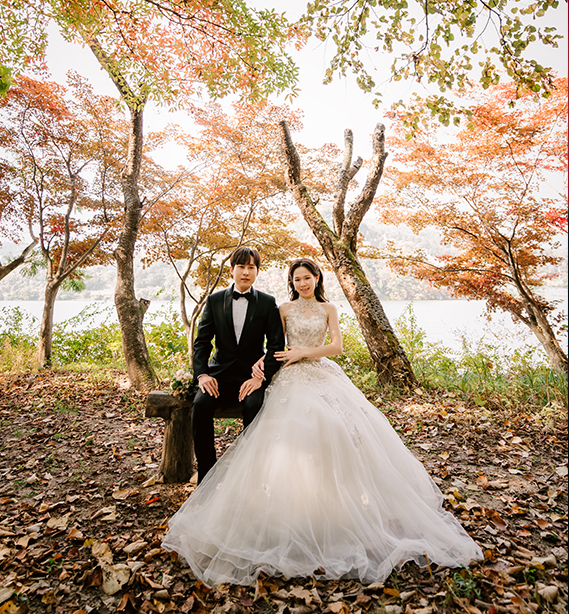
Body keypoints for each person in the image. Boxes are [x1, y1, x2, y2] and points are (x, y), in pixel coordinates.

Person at [161, 257, 482, 586]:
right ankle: (223, 485)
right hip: (275, 372)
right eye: (296, 279)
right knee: (266, 424)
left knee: (334, 424)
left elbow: (336, 346)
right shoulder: (280, 308)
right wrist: (259, 363)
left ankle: (338, 506)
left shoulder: (326, 309)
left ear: (317, 278)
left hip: (319, 370)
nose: (302, 283)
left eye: (307, 278)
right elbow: (273, 344)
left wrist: (299, 354)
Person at [189, 246, 285, 483]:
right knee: (200, 405)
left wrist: (260, 377)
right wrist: (202, 375)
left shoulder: (267, 303)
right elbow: (201, 344)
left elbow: (276, 346)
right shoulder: (214, 301)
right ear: (231, 270)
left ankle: (250, 476)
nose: (245, 272)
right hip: (218, 375)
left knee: (256, 407)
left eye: (251, 267)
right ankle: (206, 476)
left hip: (251, 377)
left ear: (257, 272)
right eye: (241, 266)